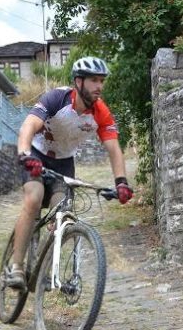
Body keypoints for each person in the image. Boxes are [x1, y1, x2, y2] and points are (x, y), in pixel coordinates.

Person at [8, 56, 133, 289]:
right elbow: (29, 126)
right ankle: (16, 268)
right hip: (36, 156)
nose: (99, 86)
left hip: (64, 164)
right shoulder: (57, 98)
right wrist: (25, 154)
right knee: (33, 199)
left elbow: (114, 148)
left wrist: (121, 182)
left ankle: (44, 267)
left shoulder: (100, 112)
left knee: (62, 214)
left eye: (101, 81)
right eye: (94, 80)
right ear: (78, 81)